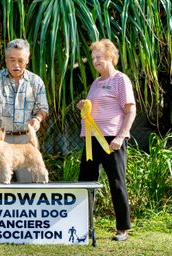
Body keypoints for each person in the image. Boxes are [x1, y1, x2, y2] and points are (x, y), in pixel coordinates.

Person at [76, 39, 136, 241]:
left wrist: (121, 136)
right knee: (85, 182)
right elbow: (94, 109)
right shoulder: (96, 82)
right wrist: (84, 105)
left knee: (117, 182)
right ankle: (82, 224)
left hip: (111, 140)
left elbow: (130, 110)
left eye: (99, 57)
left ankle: (122, 229)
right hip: (91, 139)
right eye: (93, 58)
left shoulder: (121, 80)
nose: (95, 61)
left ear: (111, 55)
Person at [0, 38, 49, 182]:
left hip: (25, 141)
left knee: (29, 187)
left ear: (27, 60)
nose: (16, 65)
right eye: (12, 60)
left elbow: (43, 109)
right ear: (6, 59)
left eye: (20, 60)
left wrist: (37, 119)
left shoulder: (36, 82)